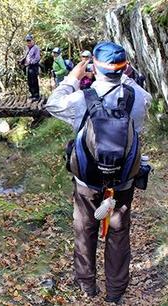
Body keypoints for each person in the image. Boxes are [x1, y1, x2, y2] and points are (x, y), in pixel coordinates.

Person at [45, 42, 152, 304]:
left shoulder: (82, 97)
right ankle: (115, 292)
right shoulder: (137, 98)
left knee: (85, 228)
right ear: (124, 68)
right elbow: (145, 105)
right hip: (123, 181)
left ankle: (87, 286)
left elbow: (52, 104)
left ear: (95, 66)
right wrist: (129, 78)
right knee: (118, 232)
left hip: (87, 180)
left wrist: (73, 78)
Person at [20, 34, 41, 101]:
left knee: (34, 80)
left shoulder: (36, 48)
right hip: (28, 66)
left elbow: (37, 58)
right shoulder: (27, 48)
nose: (28, 42)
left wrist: (30, 62)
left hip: (33, 66)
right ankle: (32, 94)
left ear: (33, 40)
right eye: (27, 41)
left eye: (29, 40)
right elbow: (26, 57)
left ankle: (36, 95)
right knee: (29, 81)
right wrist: (22, 61)